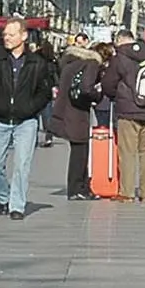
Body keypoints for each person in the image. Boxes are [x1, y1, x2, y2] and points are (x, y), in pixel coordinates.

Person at [0, 18, 55, 218]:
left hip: (26, 121)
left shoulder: (37, 63)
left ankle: (16, 206)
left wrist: (31, 108)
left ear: (23, 36)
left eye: (11, 34)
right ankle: (3, 197)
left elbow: (44, 92)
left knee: (22, 164)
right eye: (5, 35)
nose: (7, 38)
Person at [102, 25, 145, 202]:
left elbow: (109, 83)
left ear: (119, 41)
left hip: (128, 111)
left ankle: (127, 192)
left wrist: (116, 97)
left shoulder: (120, 58)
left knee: (128, 152)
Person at [50, 34, 103, 201]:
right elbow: (87, 88)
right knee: (80, 150)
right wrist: (98, 95)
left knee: (77, 149)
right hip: (78, 111)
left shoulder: (69, 63)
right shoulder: (91, 63)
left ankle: (80, 187)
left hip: (66, 109)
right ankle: (77, 188)